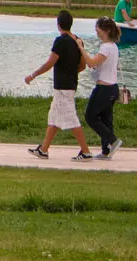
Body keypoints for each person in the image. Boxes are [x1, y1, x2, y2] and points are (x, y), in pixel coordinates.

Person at [25, 9, 94, 162]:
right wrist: (71, 71)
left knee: (71, 119)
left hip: (63, 86)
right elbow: (82, 66)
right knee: (54, 117)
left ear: (58, 25)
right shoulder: (78, 40)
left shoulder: (60, 41)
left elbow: (50, 62)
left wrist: (33, 75)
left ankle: (86, 152)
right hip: (70, 84)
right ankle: (43, 150)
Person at [81, 17, 123, 160]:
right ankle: (106, 151)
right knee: (106, 119)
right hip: (112, 88)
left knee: (90, 116)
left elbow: (91, 63)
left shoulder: (106, 48)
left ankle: (112, 140)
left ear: (106, 30)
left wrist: (81, 49)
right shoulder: (114, 47)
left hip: (104, 88)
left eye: (98, 30)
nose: (96, 33)